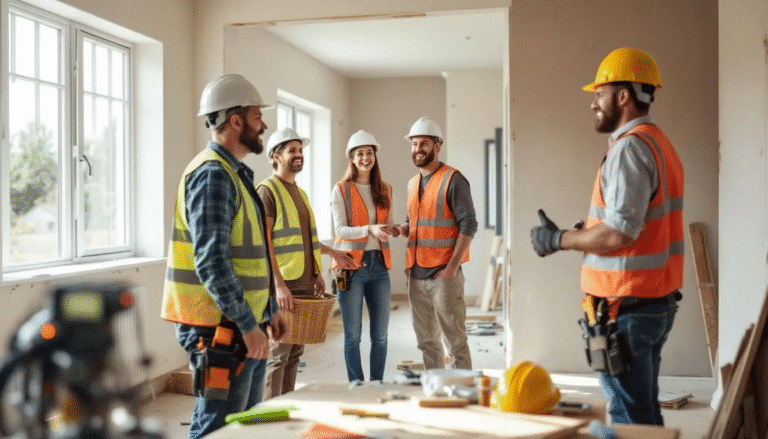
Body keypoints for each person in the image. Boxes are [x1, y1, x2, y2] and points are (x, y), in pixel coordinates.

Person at [530, 47, 684, 425]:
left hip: (626, 307)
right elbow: (637, 224)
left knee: (626, 418)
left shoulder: (629, 148)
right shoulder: (658, 143)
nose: (593, 104)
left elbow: (619, 234)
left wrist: (560, 239)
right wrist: (586, 233)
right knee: (643, 413)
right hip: (651, 301)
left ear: (623, 96)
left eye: (599, 94)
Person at [161, 73, 287, 439]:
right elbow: (212, 262)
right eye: (256, 116)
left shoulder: (234, 173)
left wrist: (267, 313)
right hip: (220, 328)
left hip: (241, 322)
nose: (263, 124)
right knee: (218, 428)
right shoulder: (213, 175)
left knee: (242, 427)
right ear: (235, 121)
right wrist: (249, 326)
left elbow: (248, 253)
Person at [258, 127, 356, 398]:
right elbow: (266, 244)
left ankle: (286, 407)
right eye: (292, 150)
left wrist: (319, 267)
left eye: (300, 150)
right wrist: (278, 286)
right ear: (276, 156)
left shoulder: (300, 194)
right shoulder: (268, 191)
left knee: (294, 354)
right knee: (278, 354)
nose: (299, 155)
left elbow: (305, 240)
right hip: (284, 286)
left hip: (303, 283)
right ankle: (269, 414)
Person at [397, 116, 477, 370]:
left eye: (423, 144)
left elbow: (469, 224)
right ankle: (437, 386)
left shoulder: (453, 179)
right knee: (426, 341)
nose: (418, 149)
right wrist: (399, 229)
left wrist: (452, 267)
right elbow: (415, 224)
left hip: (444, 275)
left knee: (455, 341)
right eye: (414, 144)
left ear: (437, 146)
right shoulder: (412, 183)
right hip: (417, 276)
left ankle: (463, 388)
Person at [331, 130, 399, 382]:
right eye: (360, 153)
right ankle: (357, 386)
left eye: (369, 153)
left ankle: (376, 384)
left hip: (379, 266)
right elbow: (339, 230)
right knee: (352, 336)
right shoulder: (341, 190)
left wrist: (391, 231)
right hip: (350, 268)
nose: (365, 158)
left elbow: (389, 223)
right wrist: (369, 229)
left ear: (374, 156)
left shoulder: (386, 189)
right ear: (352, 157)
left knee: (380, 336)